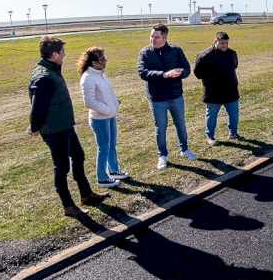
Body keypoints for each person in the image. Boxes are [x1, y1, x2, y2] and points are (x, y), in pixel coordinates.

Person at [29, 36, 108, 216]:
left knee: (78, 156)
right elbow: (38, 106)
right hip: (54, 129)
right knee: (62, 166)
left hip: (64, 125)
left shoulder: (51, 70)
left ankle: (86, 194)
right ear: (55, 54)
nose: (64, 55)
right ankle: (68, 206)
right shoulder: (45, 77)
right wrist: (34, 127)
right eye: (62, 52)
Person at [137, 24, 195, 170]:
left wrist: (180, 72)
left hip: (176, 96)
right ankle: (162, 155)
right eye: (152, 36)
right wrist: (163, 75)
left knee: (180, 123)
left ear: (165, 37)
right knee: (160, 127)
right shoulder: (145, 52)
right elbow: (142, 72)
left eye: (156, 37)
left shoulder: (176, 50)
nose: (153, 39)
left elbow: (187, 69)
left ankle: (184, 149)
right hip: (157, 99)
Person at [78, 46, 127, 188]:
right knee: (103, 147)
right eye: (102, 58)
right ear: (94, 63)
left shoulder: (100, 74)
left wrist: (115, 102)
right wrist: (107, 110)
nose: (105, 60)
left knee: (111, 145)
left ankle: (114, 171)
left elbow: (107, 93)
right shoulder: (87, 78)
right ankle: (102, 177)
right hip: (99, 119)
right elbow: (89, 102)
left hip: (110, 115)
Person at [194, 31, 240, 145]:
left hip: (231, 91)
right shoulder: (204, 56)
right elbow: (198, 73)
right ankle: (210, 136)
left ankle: (233, 133)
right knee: (211, 115)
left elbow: (235, 65)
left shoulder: (232, 53)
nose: (224, 45)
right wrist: (212, 76)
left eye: (226, 43)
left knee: (234, 114)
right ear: (215, 41)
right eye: (222, 43)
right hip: (213, 92)